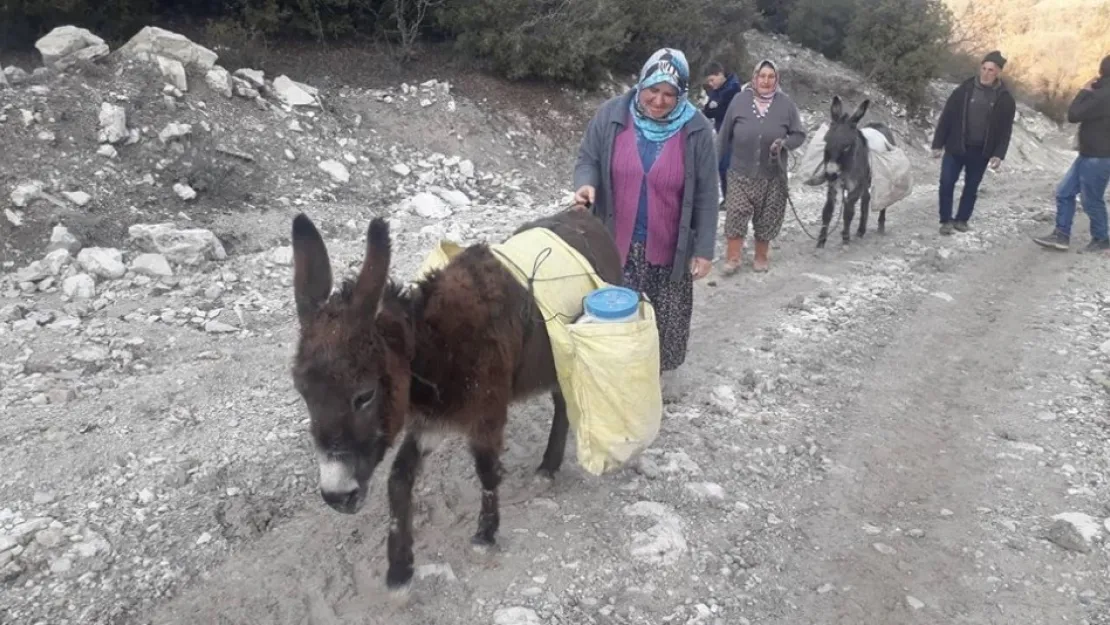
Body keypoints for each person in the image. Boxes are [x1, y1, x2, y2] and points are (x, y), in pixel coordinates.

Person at [571, 47, 719, 373]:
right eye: (654, 90)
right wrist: (586, 184)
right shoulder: (612, 114)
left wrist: (704, 249)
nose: (660, 100)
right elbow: (588, 159)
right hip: (614, 245)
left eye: (670, 94)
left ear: (681, 93)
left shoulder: (695, 129)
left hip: (668, 248)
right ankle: (615, 377)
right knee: (614, 319)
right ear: (642, 83)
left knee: (663, 323)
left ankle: (653, 381)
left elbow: (708, 193)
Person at [716, 59, 806, 274]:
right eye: (762, 76)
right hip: (740, 171)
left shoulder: (786, 105)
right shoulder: (739, 101)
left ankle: (761, 256)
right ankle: (733, 258)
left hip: (772, 175)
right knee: (736, 212)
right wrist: (711, 164)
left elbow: (799, 134)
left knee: (767, 217)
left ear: (776, 79)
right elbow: (723, 136)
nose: (766, 81)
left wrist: (784, 144)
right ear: (755, 78)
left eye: (771, 77)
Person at [931, 50, 1017, 235]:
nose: (986, 73)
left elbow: (1005, 130)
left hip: (981, 151)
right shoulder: (964, 90)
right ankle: (945, 220)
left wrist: (998, 154)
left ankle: (962, 219)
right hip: (956, 146)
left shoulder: (1005, 99)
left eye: (991, 70)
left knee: (971, 186)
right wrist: (938, 144)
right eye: (984, 68)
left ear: (998, 73)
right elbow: (947, 117)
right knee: (946, 182)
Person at [1033, 55, 1110, 253]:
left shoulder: (1102, 95)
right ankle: (1061, 235)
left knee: (1091, 200)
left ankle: (1101, 239)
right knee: (1064, 192)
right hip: (1089, 154)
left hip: (1098, 157)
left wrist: (1084, 92)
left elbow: (1073, 115)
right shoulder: (1102, 93)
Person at [702, 61, 742, 196]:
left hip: (734, 134)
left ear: (720, 74)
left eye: (712, 80)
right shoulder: (717, 91)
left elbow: (722, 111)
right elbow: (707, 111)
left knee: (728, 166)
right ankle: (728, 197)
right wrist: (713, 107)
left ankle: (733, 198)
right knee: (721, 166)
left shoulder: (733, 89)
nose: (711, 84)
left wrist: (714, 108)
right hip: (722, 133)